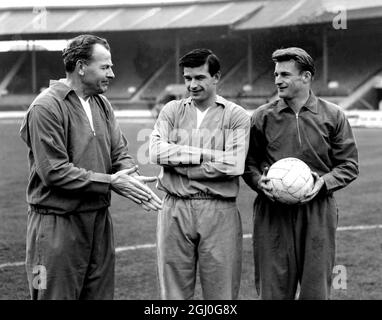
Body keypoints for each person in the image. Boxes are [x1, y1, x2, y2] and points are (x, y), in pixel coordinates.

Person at [19, 34, 162, 300]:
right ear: (81, 66)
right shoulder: (45, 107)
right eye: (105, 67)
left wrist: (129, 176)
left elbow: (120, 152)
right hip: (55, 225)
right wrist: (111, 181)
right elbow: (54, 172)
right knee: (51, 295)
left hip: (98, 221)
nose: (112, 73)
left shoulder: (102, 104)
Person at [242, 47, 359, 300]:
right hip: (272, 211)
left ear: (306, 77)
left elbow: (349, 165)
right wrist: (258, 182)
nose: (277, 80)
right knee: (272, 292)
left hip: (317, 210)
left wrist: (324, 182)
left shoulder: (333, 115)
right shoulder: (262, 117)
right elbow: (248, 163)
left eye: (285, 74)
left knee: (315, 291)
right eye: (275, 74)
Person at [149, 48, 250, 299]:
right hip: (174, 207)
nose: (192, 85)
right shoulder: (171, 111)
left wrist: (181, 165)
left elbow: (234, 165)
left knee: (221, 293)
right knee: (173, 295)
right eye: (187, 78)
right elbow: (155, 152)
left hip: (218, 209)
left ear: (216, 77)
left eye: (200, 78)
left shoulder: (236, 115)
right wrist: (205, 155)